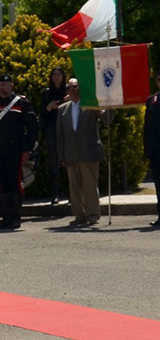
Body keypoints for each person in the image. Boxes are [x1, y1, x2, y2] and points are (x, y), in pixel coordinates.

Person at [0, 73, 39, 230]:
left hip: (14, 149)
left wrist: (27, 149)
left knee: (15, 183)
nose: (2, 87)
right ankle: (6, 218)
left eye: (5, 84)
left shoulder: (21, 103)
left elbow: (32, 128)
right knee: (2, 183)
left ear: (12, 86)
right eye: (0, 84)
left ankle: (15, 217)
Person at [58, 76, 105, 227]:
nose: (71, 90)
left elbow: (108, 119)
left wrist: (105, 106)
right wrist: (61, 156)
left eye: (74, 87)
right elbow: (60, 135)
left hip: (89, 151)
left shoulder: (90, 105)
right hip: (71, 153)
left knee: (90, 185)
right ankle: (79, 215)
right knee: (74, 187)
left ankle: (92, 214)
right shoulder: (62, 109)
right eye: (68, 87)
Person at [39, 66, 68, 204]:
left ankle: (70, 193)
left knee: (69, 161)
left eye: (59, 74)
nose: (56, 77)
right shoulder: (46, 93)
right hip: (51, 129)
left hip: (66, 129)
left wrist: (63, 102)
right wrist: (49, 107)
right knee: (53, 163)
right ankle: (55, 193)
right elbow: (42, 115)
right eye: (54, 74)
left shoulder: (68, 91)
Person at [145, 80, 160, 227]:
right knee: (158, 186)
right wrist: (148, 150)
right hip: (156, 151)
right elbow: (147, 127)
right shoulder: (151, 100)